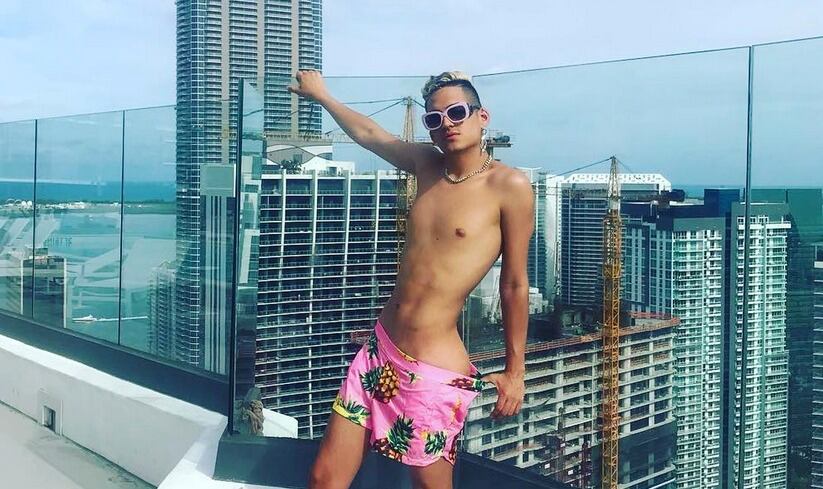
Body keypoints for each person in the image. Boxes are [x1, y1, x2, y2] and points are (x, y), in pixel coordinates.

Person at [289, 70, 534, 489]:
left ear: (483, 116)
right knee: (323, 479)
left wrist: (516, 372)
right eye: (434, 119)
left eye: (457, 113)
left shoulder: (508, 186)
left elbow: (513, 285)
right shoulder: (426, 165)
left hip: (431, 368)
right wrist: (323, 96)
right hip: (378, 351)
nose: (447, 124)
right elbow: (371, 135)